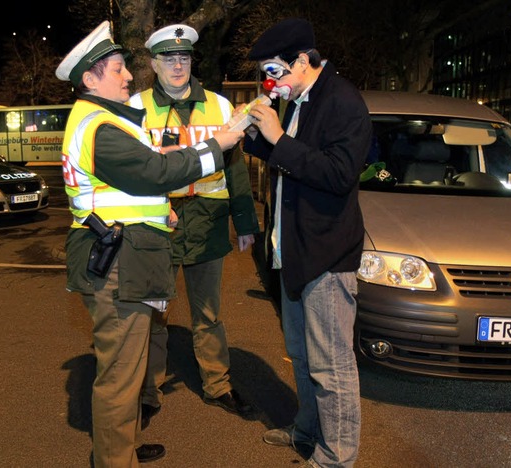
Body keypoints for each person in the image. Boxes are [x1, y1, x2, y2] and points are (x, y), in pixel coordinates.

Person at [55, 21, 243, 468]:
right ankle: (114, 461)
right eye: (118, 68)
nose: (127, 77)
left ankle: (119, 451)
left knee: (128, 365)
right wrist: (215, 146)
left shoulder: (101, 120)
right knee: (120, 376)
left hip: (123, 252)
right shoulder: (101, 126)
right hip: (118, 262)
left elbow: (128, 187)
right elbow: (154, 172)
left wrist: (162, 210)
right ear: (90, 78)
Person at [243, 18, 373, 468]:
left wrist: (277, 137)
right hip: (293, 250)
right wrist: (255, 134)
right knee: (302, 356)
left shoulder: (342, 101)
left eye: (274, 70)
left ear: (303, 61)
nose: (269, 80)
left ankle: (336, 458)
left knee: (332, 367)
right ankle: (307, 432)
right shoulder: (299, 100)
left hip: (326, 256)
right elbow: (291, 161)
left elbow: (338, 175)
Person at [127, 24, 260, 427]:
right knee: (154, 312)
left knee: (208, 313)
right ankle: (149, 391)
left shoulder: (220, 107)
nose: (178, 65)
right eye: (169, 58)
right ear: (154, 64)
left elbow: (235, 166)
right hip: (157, 224)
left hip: (208, 221)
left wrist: (245, 220)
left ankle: (218, 385)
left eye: (184, 57)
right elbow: (130, 170)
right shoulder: (135, 107)